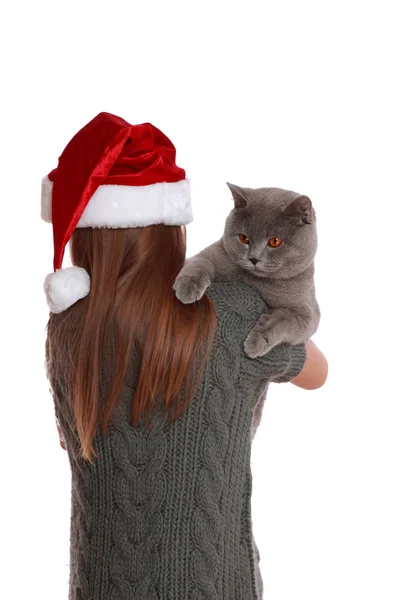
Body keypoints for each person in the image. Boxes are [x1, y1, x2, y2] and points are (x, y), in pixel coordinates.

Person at [44, 112, 328, 600]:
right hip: (215, 583)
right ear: (173, 230)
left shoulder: (70, 326)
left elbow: (75, 442)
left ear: (81, 236)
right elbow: (317, 373)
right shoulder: (235, 314)